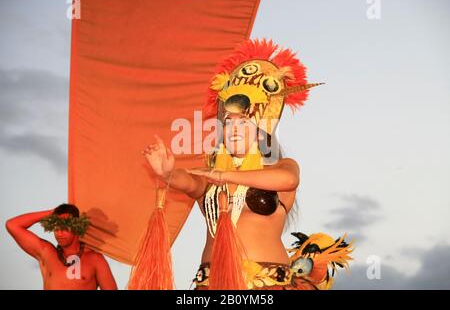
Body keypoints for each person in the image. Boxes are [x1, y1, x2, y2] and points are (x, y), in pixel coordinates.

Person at [142, 38, 352, 290]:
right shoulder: (210, 176)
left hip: (268, 286)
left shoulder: (281, 167)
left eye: (243, 123)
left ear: (261, 130)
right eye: (229, 123)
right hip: (212, 285)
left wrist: (225, 176)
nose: (234, 129)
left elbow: (289, 180)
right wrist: (167, 173)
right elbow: (189, 181)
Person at [6, 203, 118, 290]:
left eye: (64, 228)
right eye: (56, 228)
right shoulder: (46, 253)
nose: (59, 233)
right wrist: (51, 213)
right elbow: (12, 225)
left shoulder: (95, 259)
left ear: (77, 227)